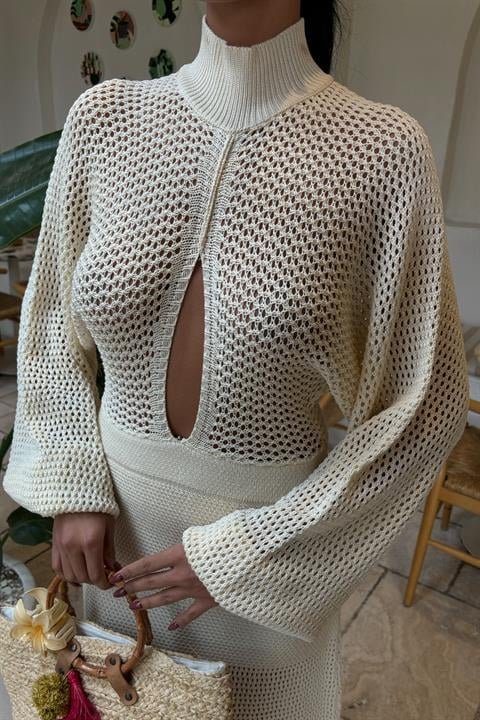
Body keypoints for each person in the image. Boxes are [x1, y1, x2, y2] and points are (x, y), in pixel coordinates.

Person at [2, 1, 470, 718]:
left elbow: (422, 407)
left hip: (264, 579)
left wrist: (246, 554)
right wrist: (73, 482)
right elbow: (50, 327)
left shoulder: (383, 151)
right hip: (114, 558)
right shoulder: (105, 121)